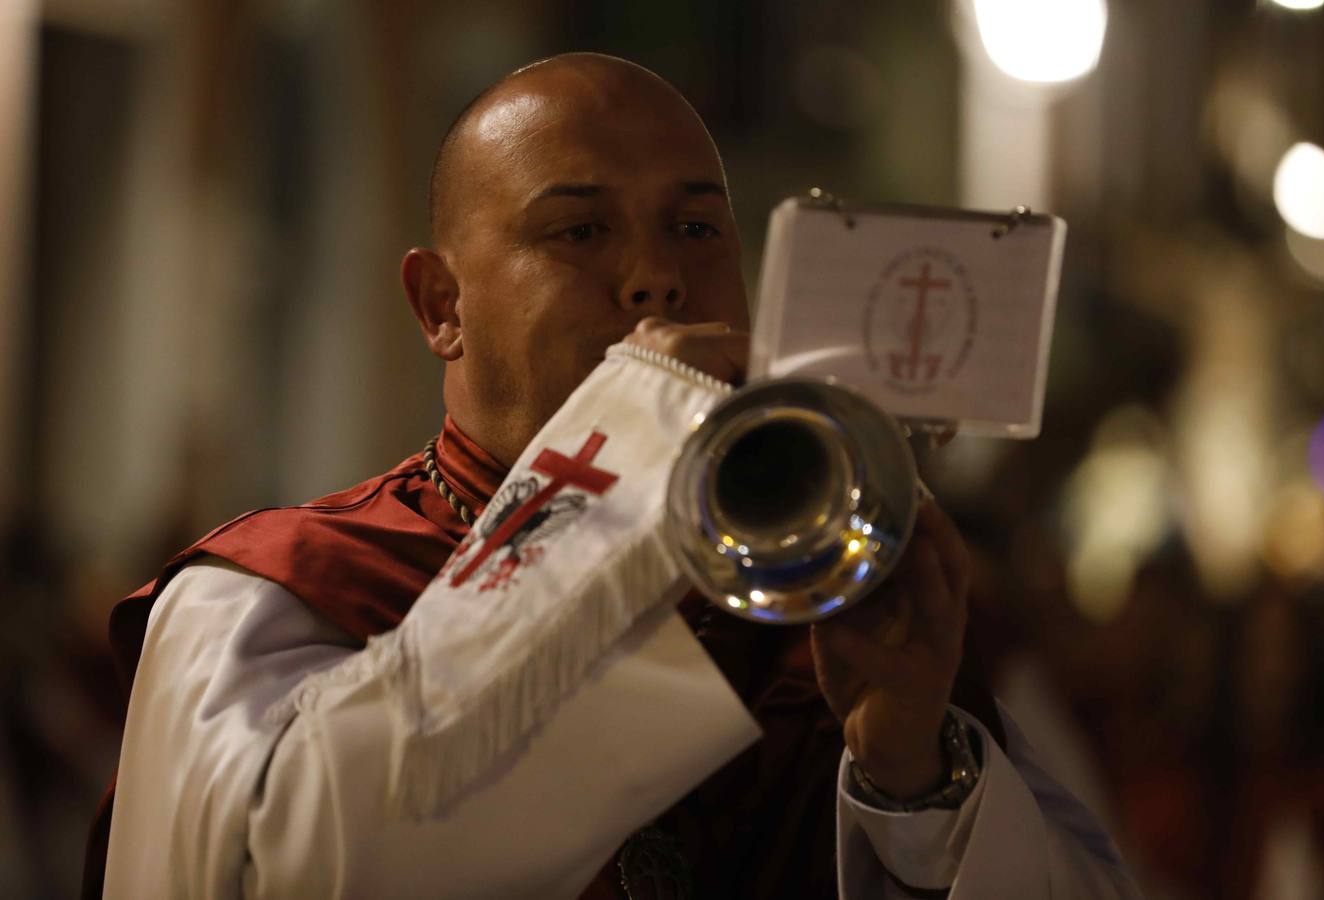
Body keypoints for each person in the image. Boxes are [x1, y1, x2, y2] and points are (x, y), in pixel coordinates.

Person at [85, 53, 1141, 899]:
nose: (657, 275)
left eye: (695, 228)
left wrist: (911, 777)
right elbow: (305, 868)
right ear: (439, 306)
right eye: (579, 230)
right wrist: (621, 457)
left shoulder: (826, 595)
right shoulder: (270, 591)